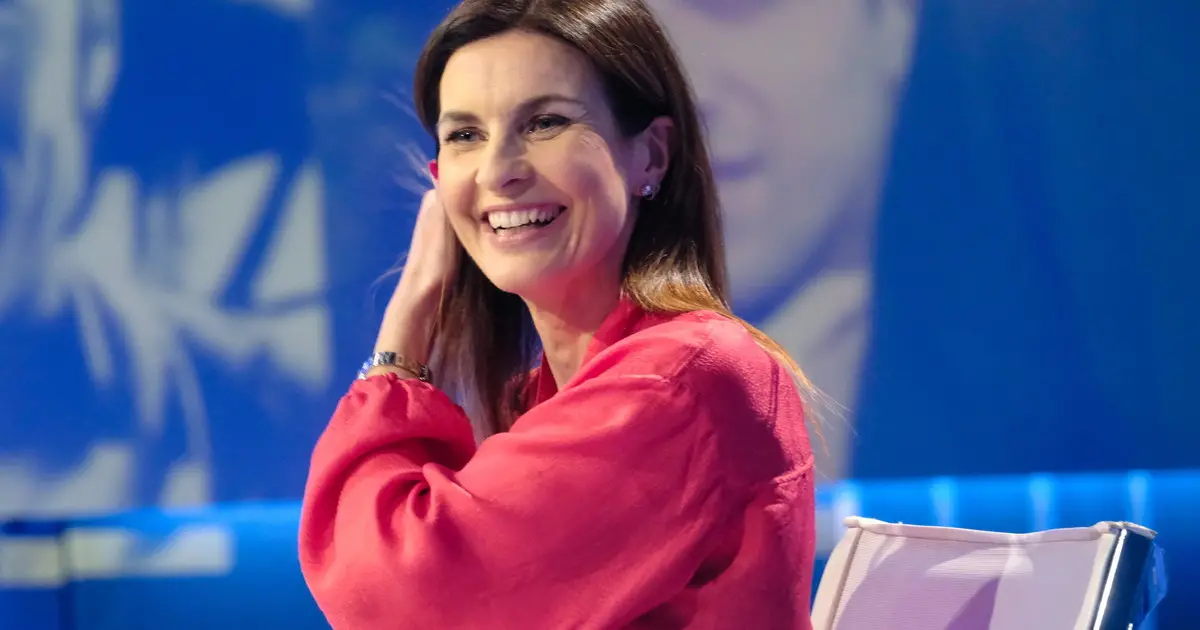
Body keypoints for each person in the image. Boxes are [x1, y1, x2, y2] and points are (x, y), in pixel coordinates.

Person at [297, 0, 816, 627]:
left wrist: (408, 322)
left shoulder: (678, 381)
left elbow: (393, 592)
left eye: (545, 123)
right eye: (465, 135)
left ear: (651, 155)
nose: (499, 171)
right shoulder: (539, 401)